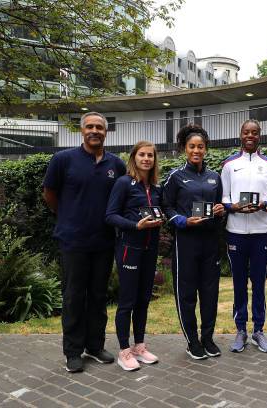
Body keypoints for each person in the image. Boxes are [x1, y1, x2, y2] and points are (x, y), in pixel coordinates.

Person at [42, 111, 126, 373]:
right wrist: (68, 216)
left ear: (105, 132)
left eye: (99, 127)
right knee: (74, 297)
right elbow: (50, 194)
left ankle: (95, 346)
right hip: (73, 241)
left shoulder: (117, 165)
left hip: (104, 241)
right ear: (82, 131)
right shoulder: (63, 160)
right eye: (90, 126)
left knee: (99, 297)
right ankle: (73, 351)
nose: (94, 131)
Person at [162, 123, 225, 360]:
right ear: (184, 149)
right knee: (187, 294)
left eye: (200, 146)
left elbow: (220, 205)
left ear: (205, 149)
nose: (196, 151)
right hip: (186, 241)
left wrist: (220, 210)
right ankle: (192, 341)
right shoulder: (175, 177)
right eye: (191, 147)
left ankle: (207, 338)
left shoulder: (214, 177)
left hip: (210, 242)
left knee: (210, 293)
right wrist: (182, 221)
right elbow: (165, 206)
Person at [220, 119, 267, 353]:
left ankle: (258, 331)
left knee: (258, 284)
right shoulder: (229, 164)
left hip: (261, 233)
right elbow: (223, 197)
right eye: (246, 132)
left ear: (260, 136)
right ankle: (240, 331)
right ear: (240, 134)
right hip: (235, 233)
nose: (250, 136)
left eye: (254, 132)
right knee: (238, 283)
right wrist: (233, 206)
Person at [105, 141, 163, 371]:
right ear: (134, 157)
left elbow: (162, 211)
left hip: (150, 249)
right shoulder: (123, 183)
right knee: (127, 301)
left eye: (150, 155)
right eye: (142, 155)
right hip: (130, 248)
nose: (146, 158)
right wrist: (134, 225)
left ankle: (139, 346)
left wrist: (162, 219)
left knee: (143, 300)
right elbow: (110, 215)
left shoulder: (156, 188)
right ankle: (124, 351)